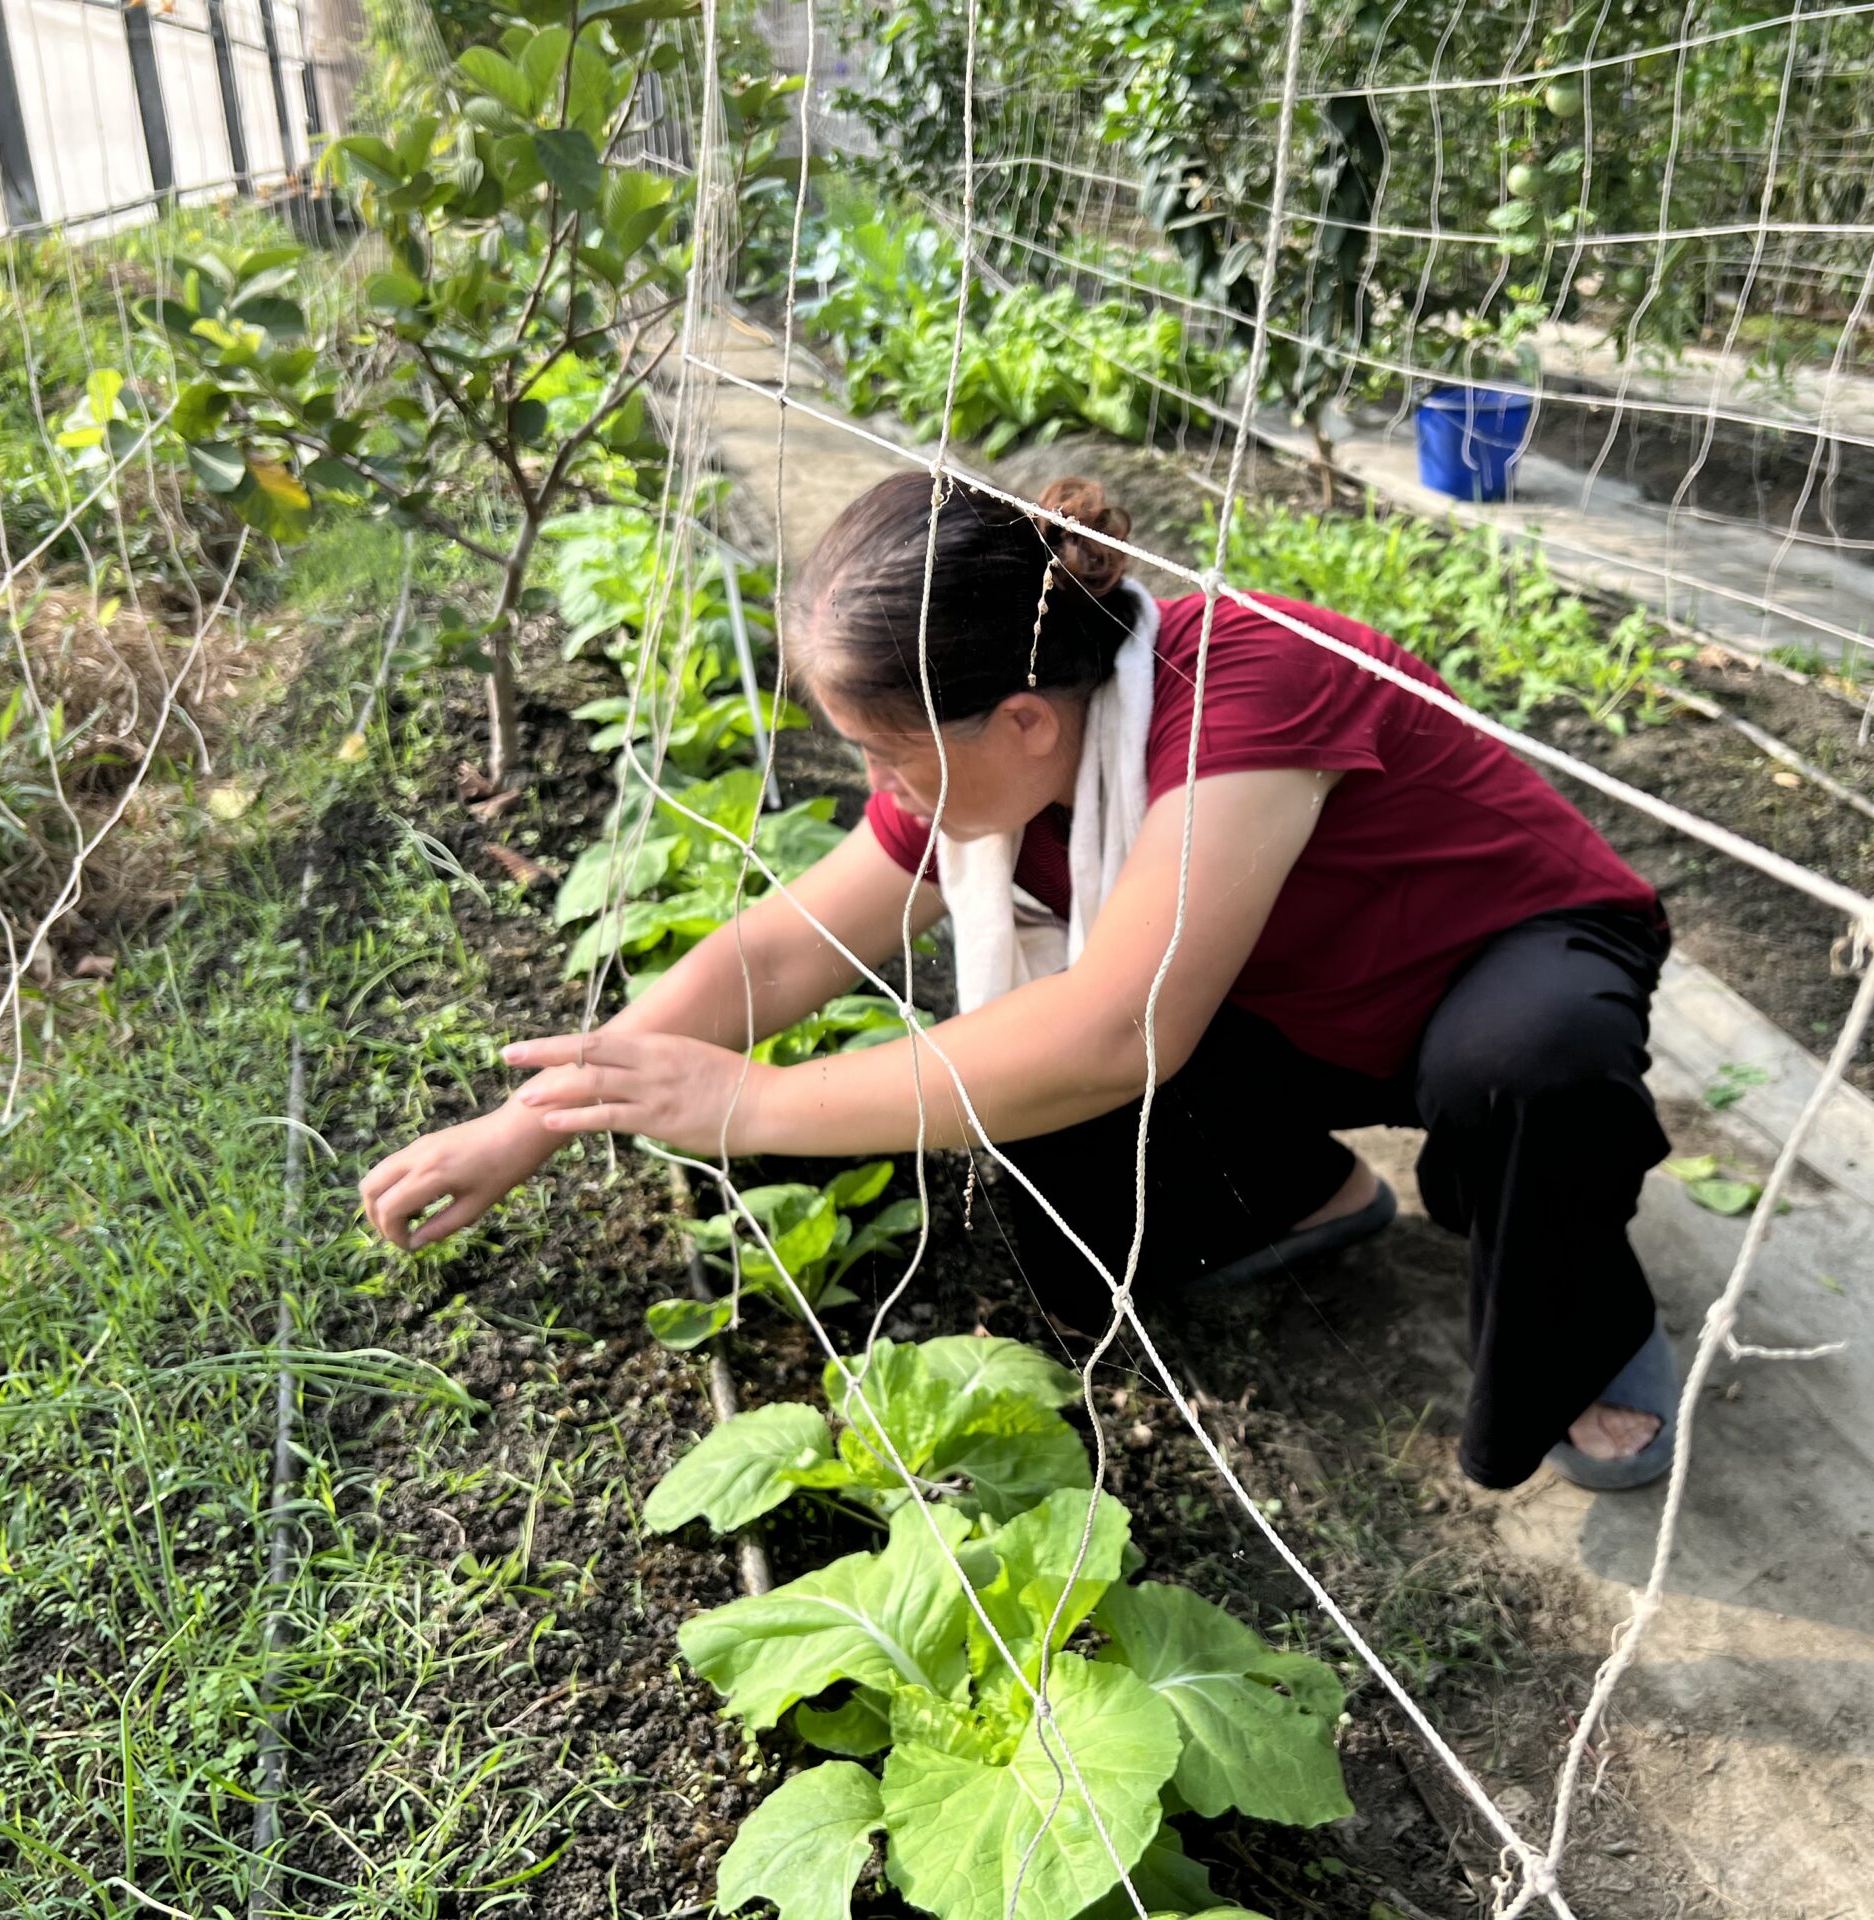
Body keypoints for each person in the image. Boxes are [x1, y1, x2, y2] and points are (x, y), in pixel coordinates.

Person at [359, 474, 1680, 1490]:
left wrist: (755, 1107)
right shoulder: (1010, 759)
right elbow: (783, 948)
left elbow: (1120, 1029)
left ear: (1027, 721)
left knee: (1524, 1067)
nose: (885, 796)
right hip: (1294, 998)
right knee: (1051, 1184)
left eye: (891, 758)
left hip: (1501, 964)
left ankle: (1580, 1321)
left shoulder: (1244, 686)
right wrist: (526, 1125)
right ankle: (1308, 1191)